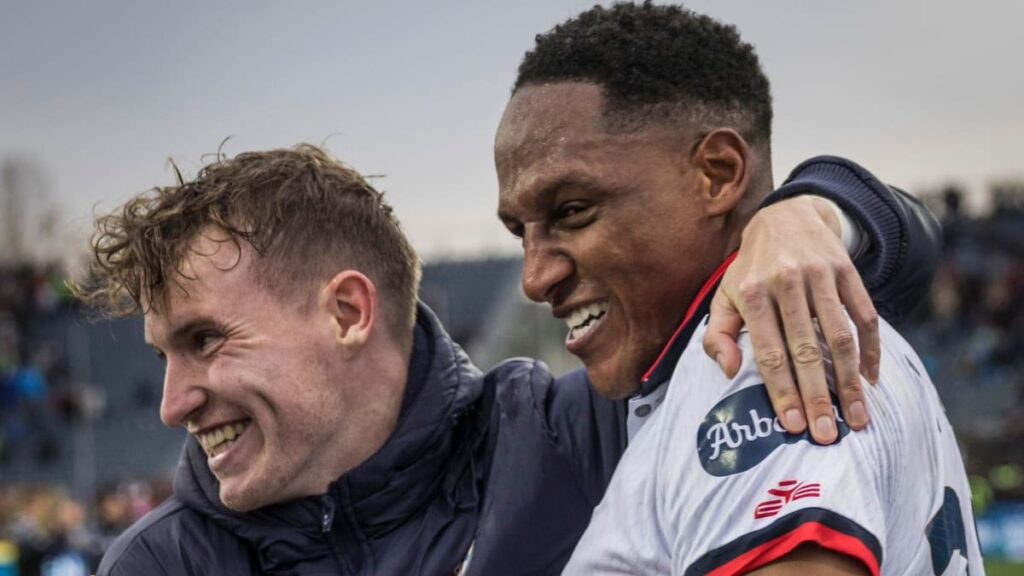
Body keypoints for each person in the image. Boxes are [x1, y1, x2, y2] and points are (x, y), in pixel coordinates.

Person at [78, 139, 938, 575]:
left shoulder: (579, 439)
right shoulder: (161, 564)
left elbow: (903, 257)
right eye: (162, 357)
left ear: (347, 312)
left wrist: (805, 216)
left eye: (203, 342)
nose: (172, 402)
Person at [492, 3, 983, 573]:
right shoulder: (717, 363)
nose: (534, 278)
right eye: (519, 232)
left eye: (573, 211)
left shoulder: (754, 352)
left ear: (718, 174)